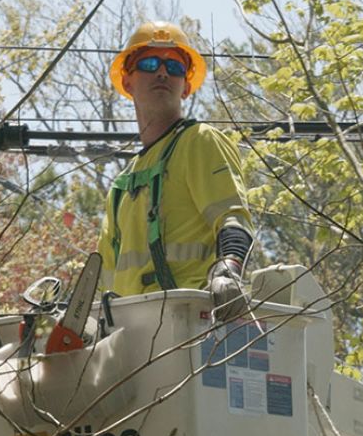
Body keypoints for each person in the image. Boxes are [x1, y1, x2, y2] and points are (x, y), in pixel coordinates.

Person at [96, 20, 254, 322]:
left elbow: (233, 218)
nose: (162, 72)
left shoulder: (198, 141)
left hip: (189, 324)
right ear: (128, 82)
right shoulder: (121, 186)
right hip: (131, 336)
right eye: (150, 63)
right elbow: (104, 278)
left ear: (186, 87)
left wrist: (230, 269)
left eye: (175, 67)